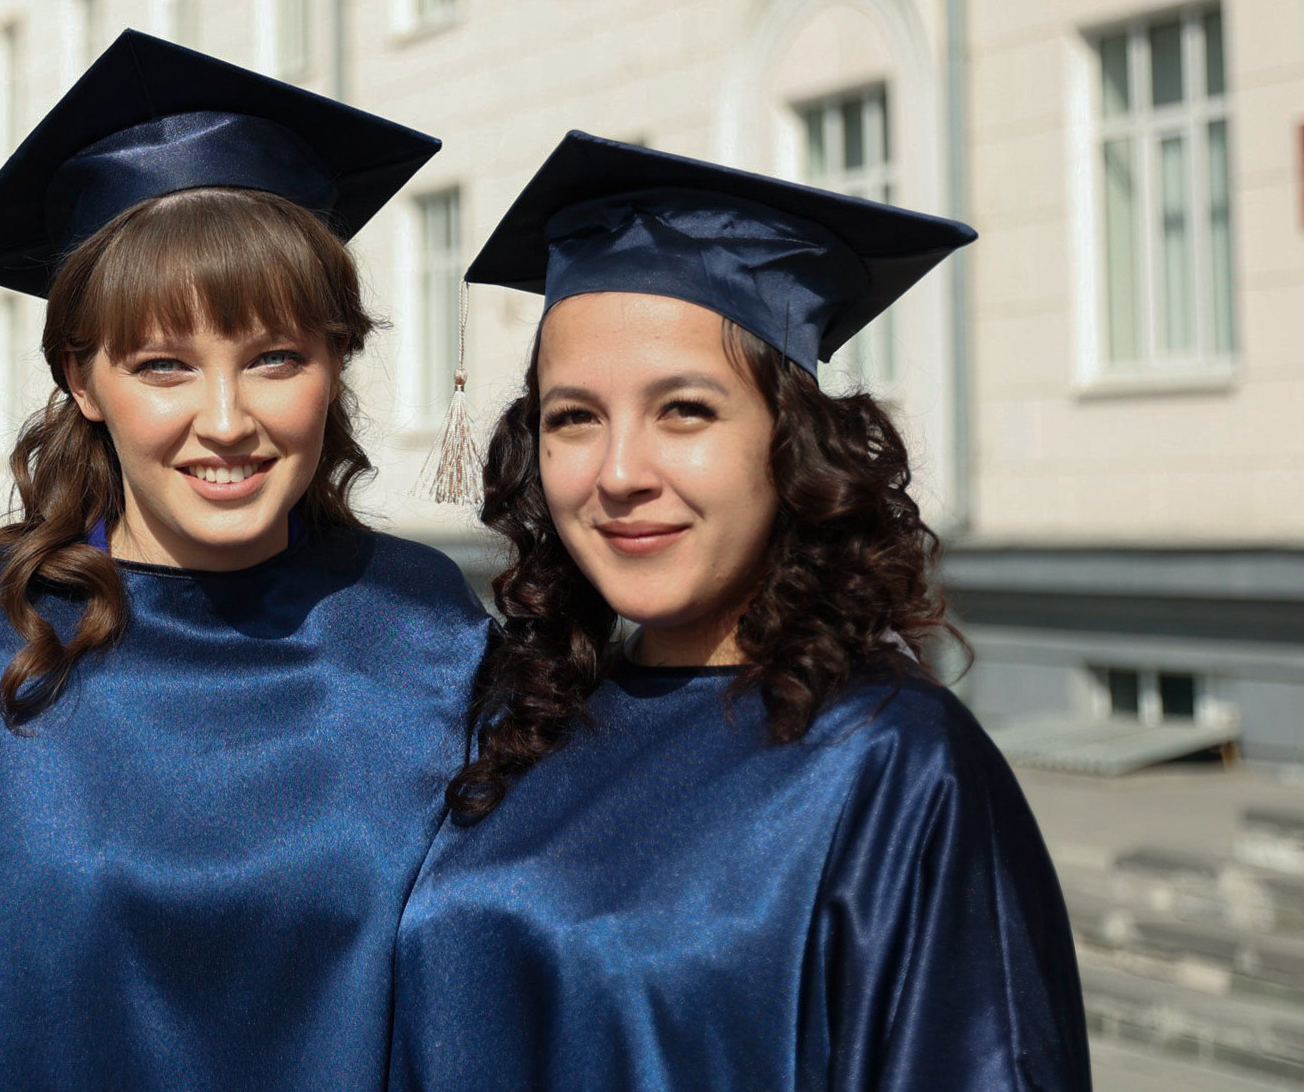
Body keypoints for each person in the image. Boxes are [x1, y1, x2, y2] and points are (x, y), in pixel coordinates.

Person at [0, 32, 489, 1091]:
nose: (225, 419)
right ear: (81, 378)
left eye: (275, 356)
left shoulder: (433, 637)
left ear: (335, 361)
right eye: (163, 365)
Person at [387, 131, 1090, 1091]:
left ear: (790, 445)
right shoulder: (524, 725)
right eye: (573, 417)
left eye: (685, 409)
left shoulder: (890, 764)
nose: (620, 473)